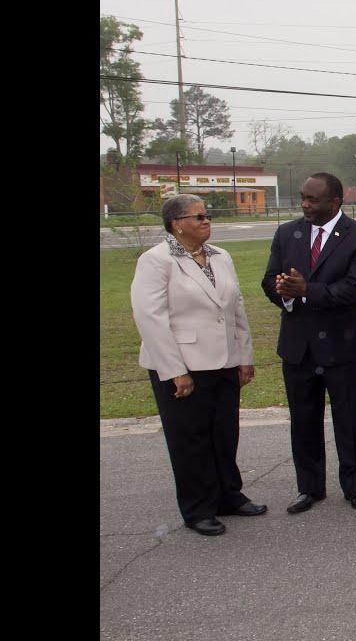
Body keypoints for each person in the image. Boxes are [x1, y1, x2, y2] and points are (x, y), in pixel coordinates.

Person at [130, 194, 265, 536]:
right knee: (190, 439)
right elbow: (151, 318)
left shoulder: (221, 256)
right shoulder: (156, 261)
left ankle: (228, 497)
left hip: (224, 362)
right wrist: (174, 369)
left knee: (224, 433)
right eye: (199, 216)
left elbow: (236, 310)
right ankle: (197, 508)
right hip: (183, 365)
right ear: (177, 224)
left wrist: (243, 357)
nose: (207, 221)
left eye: (208, 215)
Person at [262, 173, 356, 514]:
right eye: (302, 197)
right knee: (303, 420)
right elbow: (269, 279)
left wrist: (306, 290)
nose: (304, 205)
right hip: (298, 347)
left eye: (312, 199)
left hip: (342, 348)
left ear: (335, 203)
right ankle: (309, 488)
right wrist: (283, 292)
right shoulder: (287, 233)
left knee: (350, 420)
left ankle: (355, 487)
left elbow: (353, 289)